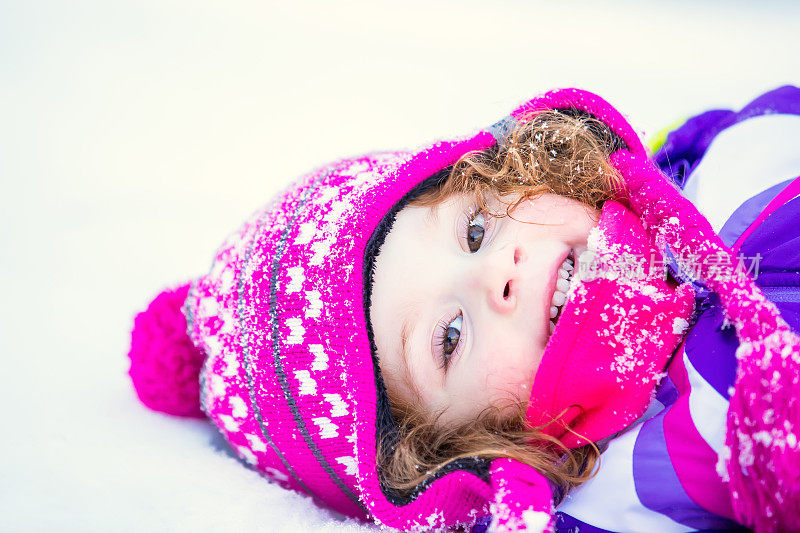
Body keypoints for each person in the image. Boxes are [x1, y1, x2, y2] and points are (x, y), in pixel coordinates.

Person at [127, 87, 800, 532]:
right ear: (452, 454)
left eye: (475, 231)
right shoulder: (636, 495)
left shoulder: (721, 153)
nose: (495, 277)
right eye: (449, 336)